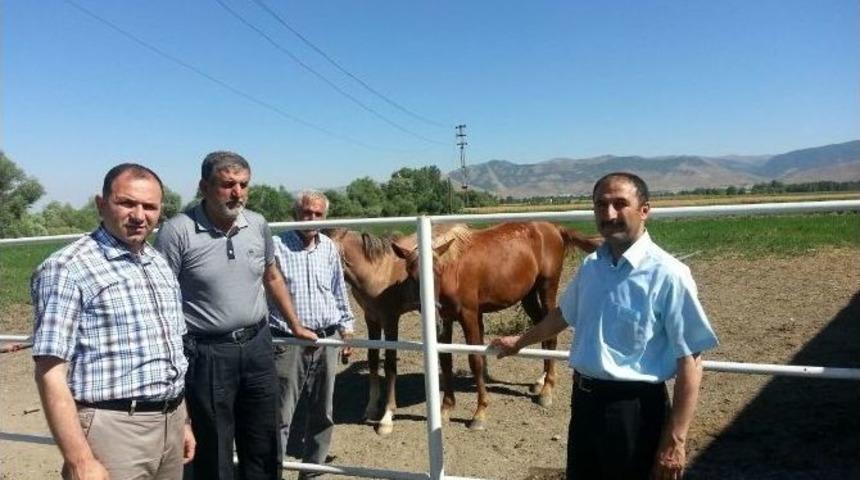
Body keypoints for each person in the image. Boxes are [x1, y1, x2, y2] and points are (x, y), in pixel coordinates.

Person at [491, 172, 719, 480]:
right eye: (601, 205)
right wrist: (519, 341)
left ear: (645, 210)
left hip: (634, 411)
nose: (609, 214)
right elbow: (561, 316)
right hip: (585, 403)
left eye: (620, 204)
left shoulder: (668, 274)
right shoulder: (592, 266)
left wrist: (676, 439)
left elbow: (690, 359)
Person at [155, 151, 315, 480]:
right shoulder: (177, 231)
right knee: (214, 444)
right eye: (227, 184)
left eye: (243, 184)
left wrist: (295, 323)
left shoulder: (257, 224)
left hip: (258, 345)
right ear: (204, 186)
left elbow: (271, 277)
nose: (237, 192)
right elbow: (161, 297)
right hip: (207, 352)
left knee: (264, 438)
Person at [31, 163, 194, 480]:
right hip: (113, 429)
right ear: (101, 204)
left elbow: (170, 349)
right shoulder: (67, 268)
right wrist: (79, 460)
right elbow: (50, 371)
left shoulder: (156, 262)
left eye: (149, 206)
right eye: (127, 203)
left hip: (169, 422)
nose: (139, 215)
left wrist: (181, 421)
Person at [269, 190, 355, 478]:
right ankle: (275, 472)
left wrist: (347, 326)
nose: (312, 219)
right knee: (281, 414)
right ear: (296, 214)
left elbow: (338, 289)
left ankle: (311, 473)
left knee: (323, 413)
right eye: (307, 213)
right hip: (289, 340)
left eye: (318, 214)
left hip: (327, 337)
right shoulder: (278, 246)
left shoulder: (329, 246)